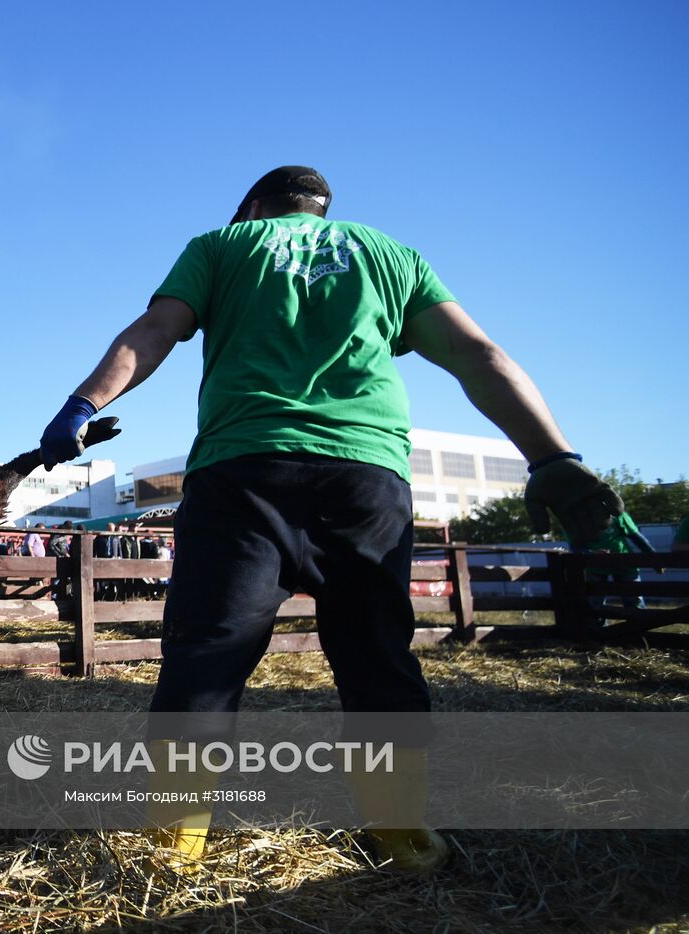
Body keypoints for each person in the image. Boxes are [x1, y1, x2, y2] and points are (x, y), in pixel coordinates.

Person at [37, 166, 624, 874]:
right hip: (365, 476)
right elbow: (478, 354)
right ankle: (401, 836)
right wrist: (551, 456)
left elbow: (156, 329)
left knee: (207, 655)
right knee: (377, 653)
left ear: (254, 207)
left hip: (243, 470)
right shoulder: (389, 253)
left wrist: (83, 402)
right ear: (321, 208)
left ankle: (175, 845)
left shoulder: (223, 245)